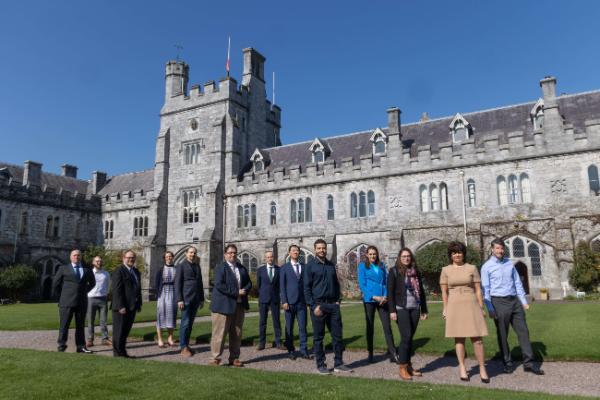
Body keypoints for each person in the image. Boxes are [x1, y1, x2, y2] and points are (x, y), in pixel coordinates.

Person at [481, 238, 544, 375]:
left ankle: (528, 363)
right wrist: (490, 308)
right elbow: (485, 290)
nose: (500, 250)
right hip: (498, 302)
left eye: (502, 248)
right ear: (492, 249)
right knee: (503, 334)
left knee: (524, 332)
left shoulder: (509, 263)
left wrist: (523, 301)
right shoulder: (486, 267)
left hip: (514, 301)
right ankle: (507, 362)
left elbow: (517, 283)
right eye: (497, 248)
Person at [440, 241, 489, 383]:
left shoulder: (472, 268)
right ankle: (462, 367)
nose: (457, 255)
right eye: (454, 252)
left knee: (477, 339)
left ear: (463, 254)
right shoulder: (445, 270)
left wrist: (481, 307)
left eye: (459, 252)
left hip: (471, 303)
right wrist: (445, 308)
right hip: (454, 304)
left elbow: (479, 290)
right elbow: (444, 293)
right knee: (459, 338)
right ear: (450, 255)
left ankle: (482, 368)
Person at [304, 238, 352, 375]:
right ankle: (321, 365)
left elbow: (336, 284)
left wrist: (338, 300)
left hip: (333, 306)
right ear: (315, 250)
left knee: (337, 336)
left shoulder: (331, 265)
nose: (322, 250)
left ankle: (338, 363)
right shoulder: (310, 266)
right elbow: (306, 289)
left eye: (323, 248)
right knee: (318, 338)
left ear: (326, 249)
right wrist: (313, 306)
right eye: (319, 248)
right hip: (318, 306)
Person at [387, 248, 429, 380]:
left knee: (410, 338)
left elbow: (421, 291)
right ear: (400, 258)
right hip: (401, 308)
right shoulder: (394, 271)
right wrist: (392, 310)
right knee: (406, 336)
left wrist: (424, 309)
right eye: (404, 256)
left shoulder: (415, 272)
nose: (406, 258)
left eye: (408, 256)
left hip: (415, 307)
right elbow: (390, 292)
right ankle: (402, 367)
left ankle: (409, 366)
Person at [209, 244, 252, 367]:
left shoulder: (241, 268)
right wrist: (236, 292)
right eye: (230, 252)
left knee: (236, 333)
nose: (232, 255)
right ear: (225, 254)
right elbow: (219, 284)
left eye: (234, 253)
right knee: (220, 333)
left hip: (238, 305)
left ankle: (234, 358)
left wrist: (245, 290)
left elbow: (248, 283)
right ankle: (215, 358)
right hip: (223, 306)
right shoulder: (220, 268)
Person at [357, 245, 397, 364]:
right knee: (370, 327)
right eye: (370, 254)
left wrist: (385, 296)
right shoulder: (362, 266)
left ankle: (393, 353)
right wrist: (374, 296)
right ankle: (370, 353)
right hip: (370, 300)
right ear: (367, 255)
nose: (372, 256)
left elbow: (386, 282)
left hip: (383, 300)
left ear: (377, 255)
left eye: (374, 254)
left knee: (387, 326)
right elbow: (362, 284)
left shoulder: (381, 265)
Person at [52, 249, 96, 353]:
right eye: (75, 255)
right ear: (71, 257)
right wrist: (62, 297)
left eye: (79, 255)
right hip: (66, 302)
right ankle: (61, 344)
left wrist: (85, 291)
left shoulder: (86, 270)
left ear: (81, 257)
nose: (77, 257)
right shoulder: (63, 268)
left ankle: (81, 346)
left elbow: (93, 283)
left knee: (80, 325)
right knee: (64, 324)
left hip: (81, 302)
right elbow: (55, 284)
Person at [280, 244, 311, 360]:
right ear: (289, 253)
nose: (295, 252)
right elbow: (282, 286)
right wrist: (284, 301)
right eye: (293, 251)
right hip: (289, 302)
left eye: (297, 251)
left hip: (302, 302)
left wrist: (308, 300)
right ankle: (291, 350)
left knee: (303, 327)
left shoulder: (304, 266)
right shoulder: (284, 268)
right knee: (289, 328)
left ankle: (304, 351)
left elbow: (307, 284)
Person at [111, 249, 142, 358]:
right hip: (122, 307)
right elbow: (117, 290)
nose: (131, 259)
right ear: (123, 258)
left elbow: (138, 288)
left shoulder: (136, 271)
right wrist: (120, 306)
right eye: (128, 257)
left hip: (132, 306)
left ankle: (123, 353)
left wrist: (139, 303)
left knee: (125, 332)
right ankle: (117, 354)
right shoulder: (119, 271)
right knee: (118, 332)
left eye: (133, 257)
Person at [175, 246, 205, 357]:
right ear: (186, 254)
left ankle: (186, 345)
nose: (193, 254)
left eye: (194, 253)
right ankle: (183, 347)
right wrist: (179, 299)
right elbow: (177, 284)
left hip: (196, 299)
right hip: (185, 299)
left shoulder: (197, 266)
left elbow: (200, 283)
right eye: (191, 252)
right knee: (185, 323)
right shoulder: (181, 266)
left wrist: (201, 299)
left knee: (190, 324)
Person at [256, 250, 283, 350]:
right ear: (265, 258)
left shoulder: (279, 269)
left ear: (273, 258)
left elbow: (280, 285)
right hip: (263, 298)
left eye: (271, 257)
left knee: (276, 321)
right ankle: (261, 343)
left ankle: (278, 342)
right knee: (262, 321)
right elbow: (259, 285)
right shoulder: (260, 270)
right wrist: (263, 294)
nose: (270, 258)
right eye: (268, 257)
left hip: (275, 299)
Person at [86, 255, 111, 348]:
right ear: (93, 262)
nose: (99, 263)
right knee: (90, 321)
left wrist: (106, 293)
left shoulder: (106, 274)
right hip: (91, 298)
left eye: (100, 261)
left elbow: (108, 285)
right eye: (97, 261)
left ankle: (105, 339)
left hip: (103, 298)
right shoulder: (89, 273)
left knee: (103, 320)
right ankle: (90, 339)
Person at [154, 251, 178, 349]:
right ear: (164, 258)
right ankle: (160, 339)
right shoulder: (160, 270)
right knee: (160, 315)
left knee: (171, 315)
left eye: (170, 256)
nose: (169, 258)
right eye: (167, 256)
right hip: (162, 293)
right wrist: (158, 294)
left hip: (173, 293)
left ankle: (170, 338)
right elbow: (156, 283)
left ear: (173, 257)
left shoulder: (177, 269)